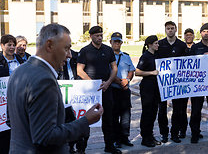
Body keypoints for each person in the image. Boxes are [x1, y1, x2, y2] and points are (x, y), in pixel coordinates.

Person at [6, 23, 103, 154]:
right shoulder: (44, 80)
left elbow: (11, 121)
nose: (69, 55)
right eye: (66, 48)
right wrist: (85, 121)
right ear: (50, 45)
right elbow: (45, 136)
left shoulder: (18, 72)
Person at [77, 26, 120, 154]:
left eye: (101, 35)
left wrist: (108, 82)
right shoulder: (85, 51)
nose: (100, 38)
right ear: (91, 36)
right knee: (86, 120)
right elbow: (80, 70)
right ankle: (81, 148)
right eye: (97, 35)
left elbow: (114, 68)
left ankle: (109, 145)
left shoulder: (108, 50)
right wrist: (93, 84)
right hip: (90, 91)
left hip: (106, 89)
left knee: (109, 119)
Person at [156, 21, 188, 143]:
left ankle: (175, 133)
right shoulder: (160, 44)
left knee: (178, 109)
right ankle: (164, 133)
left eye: (172, 28)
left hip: (177, 83)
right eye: (168, 28)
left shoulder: (181, 45)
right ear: (165, 30)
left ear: (175, 30)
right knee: (162, 110)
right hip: (163, 82)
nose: (170, 30)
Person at [136, 35, 162, 147]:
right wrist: (151, 72)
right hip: (147, 88)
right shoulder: (145, 56)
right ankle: (145, 137)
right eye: (156, 43)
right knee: (147, 113)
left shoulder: (157, 55)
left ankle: (150, 135)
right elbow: (137, 72)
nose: (158, 45)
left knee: (153, 113)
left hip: (156, 88)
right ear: (150, 45)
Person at [110, 32, 135, 148]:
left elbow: (131, 70)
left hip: (125, 90)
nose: (117, 43)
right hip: (114, 89)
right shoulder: (108, 56)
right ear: (111, 42)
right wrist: (120, 81)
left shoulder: (126, 56)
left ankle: (125, 137)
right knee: (114, 116)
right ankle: (116, 139)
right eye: (115, 41)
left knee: (126, 116)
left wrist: (127, 80)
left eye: (119, 41)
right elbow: (108, 72)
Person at [0, 34, 24, 154]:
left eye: (13, 45)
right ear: (2, 45)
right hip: (3, 102)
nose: (12, 47)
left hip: (19, 99)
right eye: (9, 44)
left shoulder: (21, 60)